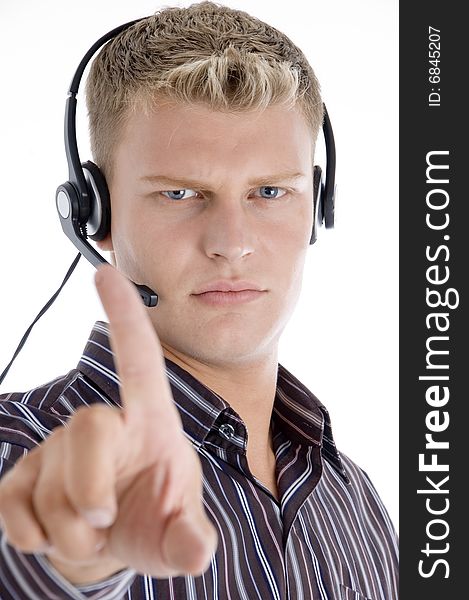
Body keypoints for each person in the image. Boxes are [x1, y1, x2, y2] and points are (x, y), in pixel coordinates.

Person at [0, 2, 398, 598]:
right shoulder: (18, 449)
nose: (232, 245)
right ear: (95, 214)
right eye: (181, 193)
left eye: (270, 191)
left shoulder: (356, 499)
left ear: (317, 206)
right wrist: (66, 568)